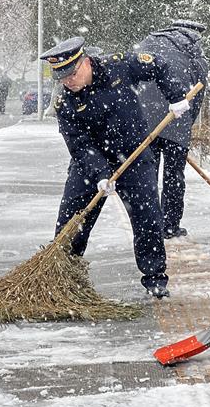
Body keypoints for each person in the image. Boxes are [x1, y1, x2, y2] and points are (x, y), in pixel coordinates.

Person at [41, 37, 191, 298]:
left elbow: (159, 65)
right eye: (62, 77)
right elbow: (78, 144)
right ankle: (62, 275)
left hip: (134, 157)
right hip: (90, 164)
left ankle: (155, 278)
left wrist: (175, 95)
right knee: (72, 220)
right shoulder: (65, 103)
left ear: (86, 62)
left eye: (72, 73)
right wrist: (100, 174)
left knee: (147, 218)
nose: (69, 81)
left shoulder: (119, 66)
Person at [135, 20, 209, 239]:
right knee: (173, 175)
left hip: (144, 119)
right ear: (194, 35)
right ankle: (170, 225)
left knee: (148, 173)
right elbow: (198, 93)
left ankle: (149, 224)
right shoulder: (193, 54)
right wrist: (186, 125)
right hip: (176, 116)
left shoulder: (146, 44)